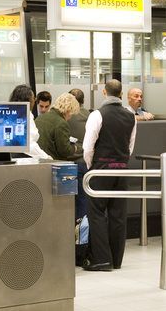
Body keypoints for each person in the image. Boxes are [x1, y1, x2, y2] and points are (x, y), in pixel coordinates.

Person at [82, 79, 137, 271]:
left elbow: (88, 146)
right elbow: (130, 146)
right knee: (118, 214)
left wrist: (91, 167)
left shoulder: (98, 115)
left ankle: (101, 259)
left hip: (101, 169)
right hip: (122, 169)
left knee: (96, 213)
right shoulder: (131, 116)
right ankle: (116, 259)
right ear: (121, 94)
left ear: (104, 93)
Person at [8, 84, 51, 160]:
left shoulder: (11, 113)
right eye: (33, 98)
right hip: (22, 159)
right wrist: (47, 158)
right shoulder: (25, 115)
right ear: (28, 100)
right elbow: (29, 145)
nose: (34, 101)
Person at [35, 93, 81, 161]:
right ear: (68, 110)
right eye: (71, 114)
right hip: (53, 163)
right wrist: (75, 148)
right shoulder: (61, 123)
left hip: (38, 161)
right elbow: (65, 151)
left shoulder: (39, 118)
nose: (70, 117)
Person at [68, 88, 91, 219]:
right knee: (84, 203)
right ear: (83, 101)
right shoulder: (90, 115)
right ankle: (83, 237)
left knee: (69, 203)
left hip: (70, 164)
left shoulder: (66, 116)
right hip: (87, 164)